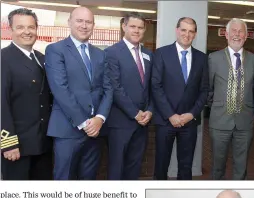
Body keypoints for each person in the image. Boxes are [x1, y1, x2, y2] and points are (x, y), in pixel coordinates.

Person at [45, 7, 112, 180]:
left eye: (88, 22)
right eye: (79, 21)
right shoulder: (55, 50)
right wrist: (84, 123)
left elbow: (108, 89)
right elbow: (60, 89)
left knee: (88, 181)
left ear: (93, 25)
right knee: (64, 181)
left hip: (96, 131)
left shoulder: (100, 54)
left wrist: (100, 118)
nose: (84, 25)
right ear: (69, 22)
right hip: (68, 129)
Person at [152, 17, 209, 180]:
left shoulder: (202, 58)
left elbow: (204, 90)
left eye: (191, 31)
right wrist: (171, 115)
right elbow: (156, 86)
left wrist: (191, 114)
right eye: (183, 30)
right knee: (161, 165)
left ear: (195, 34)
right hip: (165, 120)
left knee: (186, 166)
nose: (187, 34)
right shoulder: (161, 53)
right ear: (177, 30)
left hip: (189, 121)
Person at [1, 8, 52, 180]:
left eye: (31, 27)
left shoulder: (42, 58)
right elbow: (1, 105)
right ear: (10, 29)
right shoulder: (3, 59)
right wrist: (8, 144)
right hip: (18, 147)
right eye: (20, 27)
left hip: (43, 143)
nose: (27, 32)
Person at [208, 18, 254, 180]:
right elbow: (208, 89)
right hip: (219, 121)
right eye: (233, 31)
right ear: (226, 34)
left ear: (246, 35)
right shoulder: (213, 59)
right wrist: (217, 105)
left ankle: (238, 197)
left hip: (245, 122)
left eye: (240, 31)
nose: (237, 34)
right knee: (217, 165)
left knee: (241, 166)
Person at [105, 13, 153, 180]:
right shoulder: (111, 52)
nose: (136, 30)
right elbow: (115, 87)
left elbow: (151, 87)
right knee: (116, 167)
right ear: (124, 27)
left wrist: (150, 111)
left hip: (143, 122)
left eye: (140, 27)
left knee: (135, 166)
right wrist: (135, 113)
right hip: (120, 122)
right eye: (133, 26)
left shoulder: (148, 54)